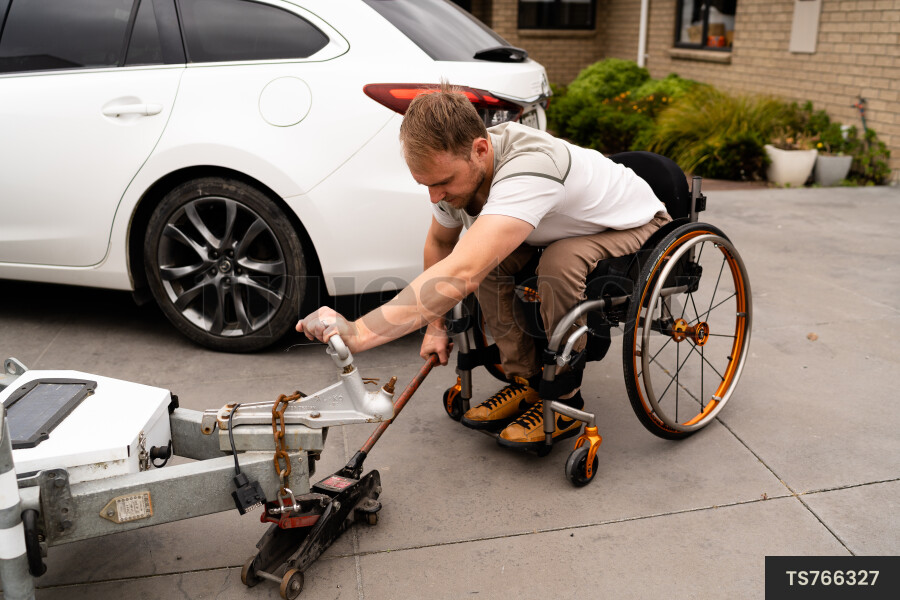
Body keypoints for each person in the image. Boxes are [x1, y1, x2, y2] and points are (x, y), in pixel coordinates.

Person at [297, 83, 670, 451]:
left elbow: (461, 271)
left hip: (632, 223)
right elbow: (441, 244)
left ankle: (566, 398)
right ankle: (526, 380)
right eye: (425, 185)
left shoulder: (531, 167)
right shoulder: (456, 168)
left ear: (480, 149)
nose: (434, 197)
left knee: (558, 263)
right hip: (558, 227)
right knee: (493, 263)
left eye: (442, 183)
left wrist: (360, 333)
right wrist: (435, 327)